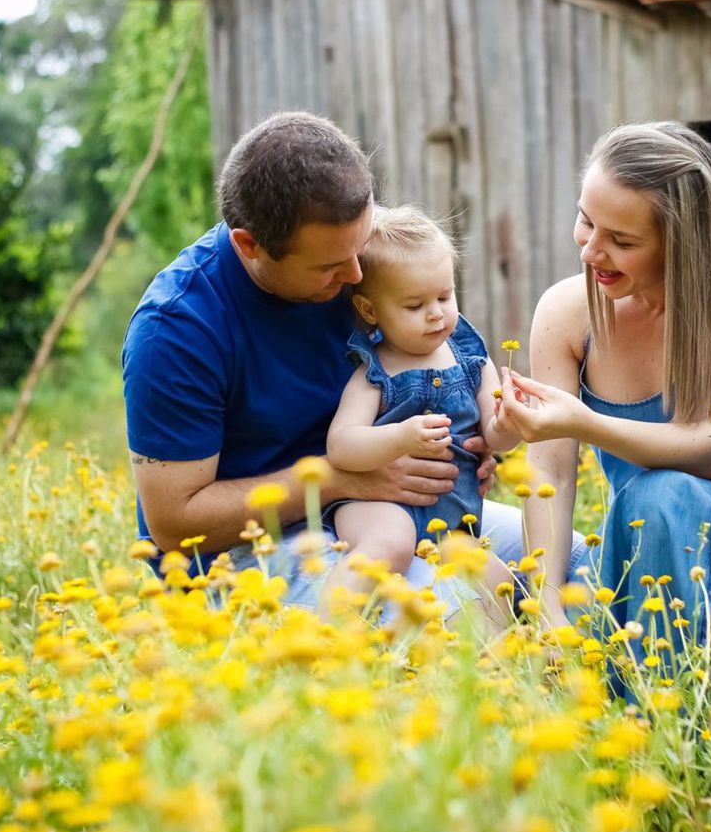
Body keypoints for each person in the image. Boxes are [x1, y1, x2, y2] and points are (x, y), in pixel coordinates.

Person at [122, 111, 584, 608]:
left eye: (360, 247)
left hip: (397, 506)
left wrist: (471, 443)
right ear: (249, 245)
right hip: (243, 549)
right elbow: (174, 522)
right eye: (329, 267)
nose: (357, 273)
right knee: (454, 612)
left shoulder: (358, 253)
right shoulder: (178, 328)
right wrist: (342, 477)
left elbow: (436, 369)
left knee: (571, 569)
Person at [494, 121, 711, 681]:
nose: (591, 250)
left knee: (661, 495)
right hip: (644, 546)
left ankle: (676, 721)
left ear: (683, 243)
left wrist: (587, 424)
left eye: (622, 240)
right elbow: (551, 473)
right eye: (586, 221)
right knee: (524, 582)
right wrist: (548, 598)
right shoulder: (566, 313)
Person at [322, 205, 520, 622]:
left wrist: (507, 422)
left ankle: (497, 670)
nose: (436, 313)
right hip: (378, 506)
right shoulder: (373, 372)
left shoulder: (470, 359)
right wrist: (398, 438)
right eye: (415, 305)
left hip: (450, 522)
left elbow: (496, 438)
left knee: (494, 578)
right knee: (389, 545)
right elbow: (341, 446)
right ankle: (329, 637)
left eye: (445, 297)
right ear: (371, 310)